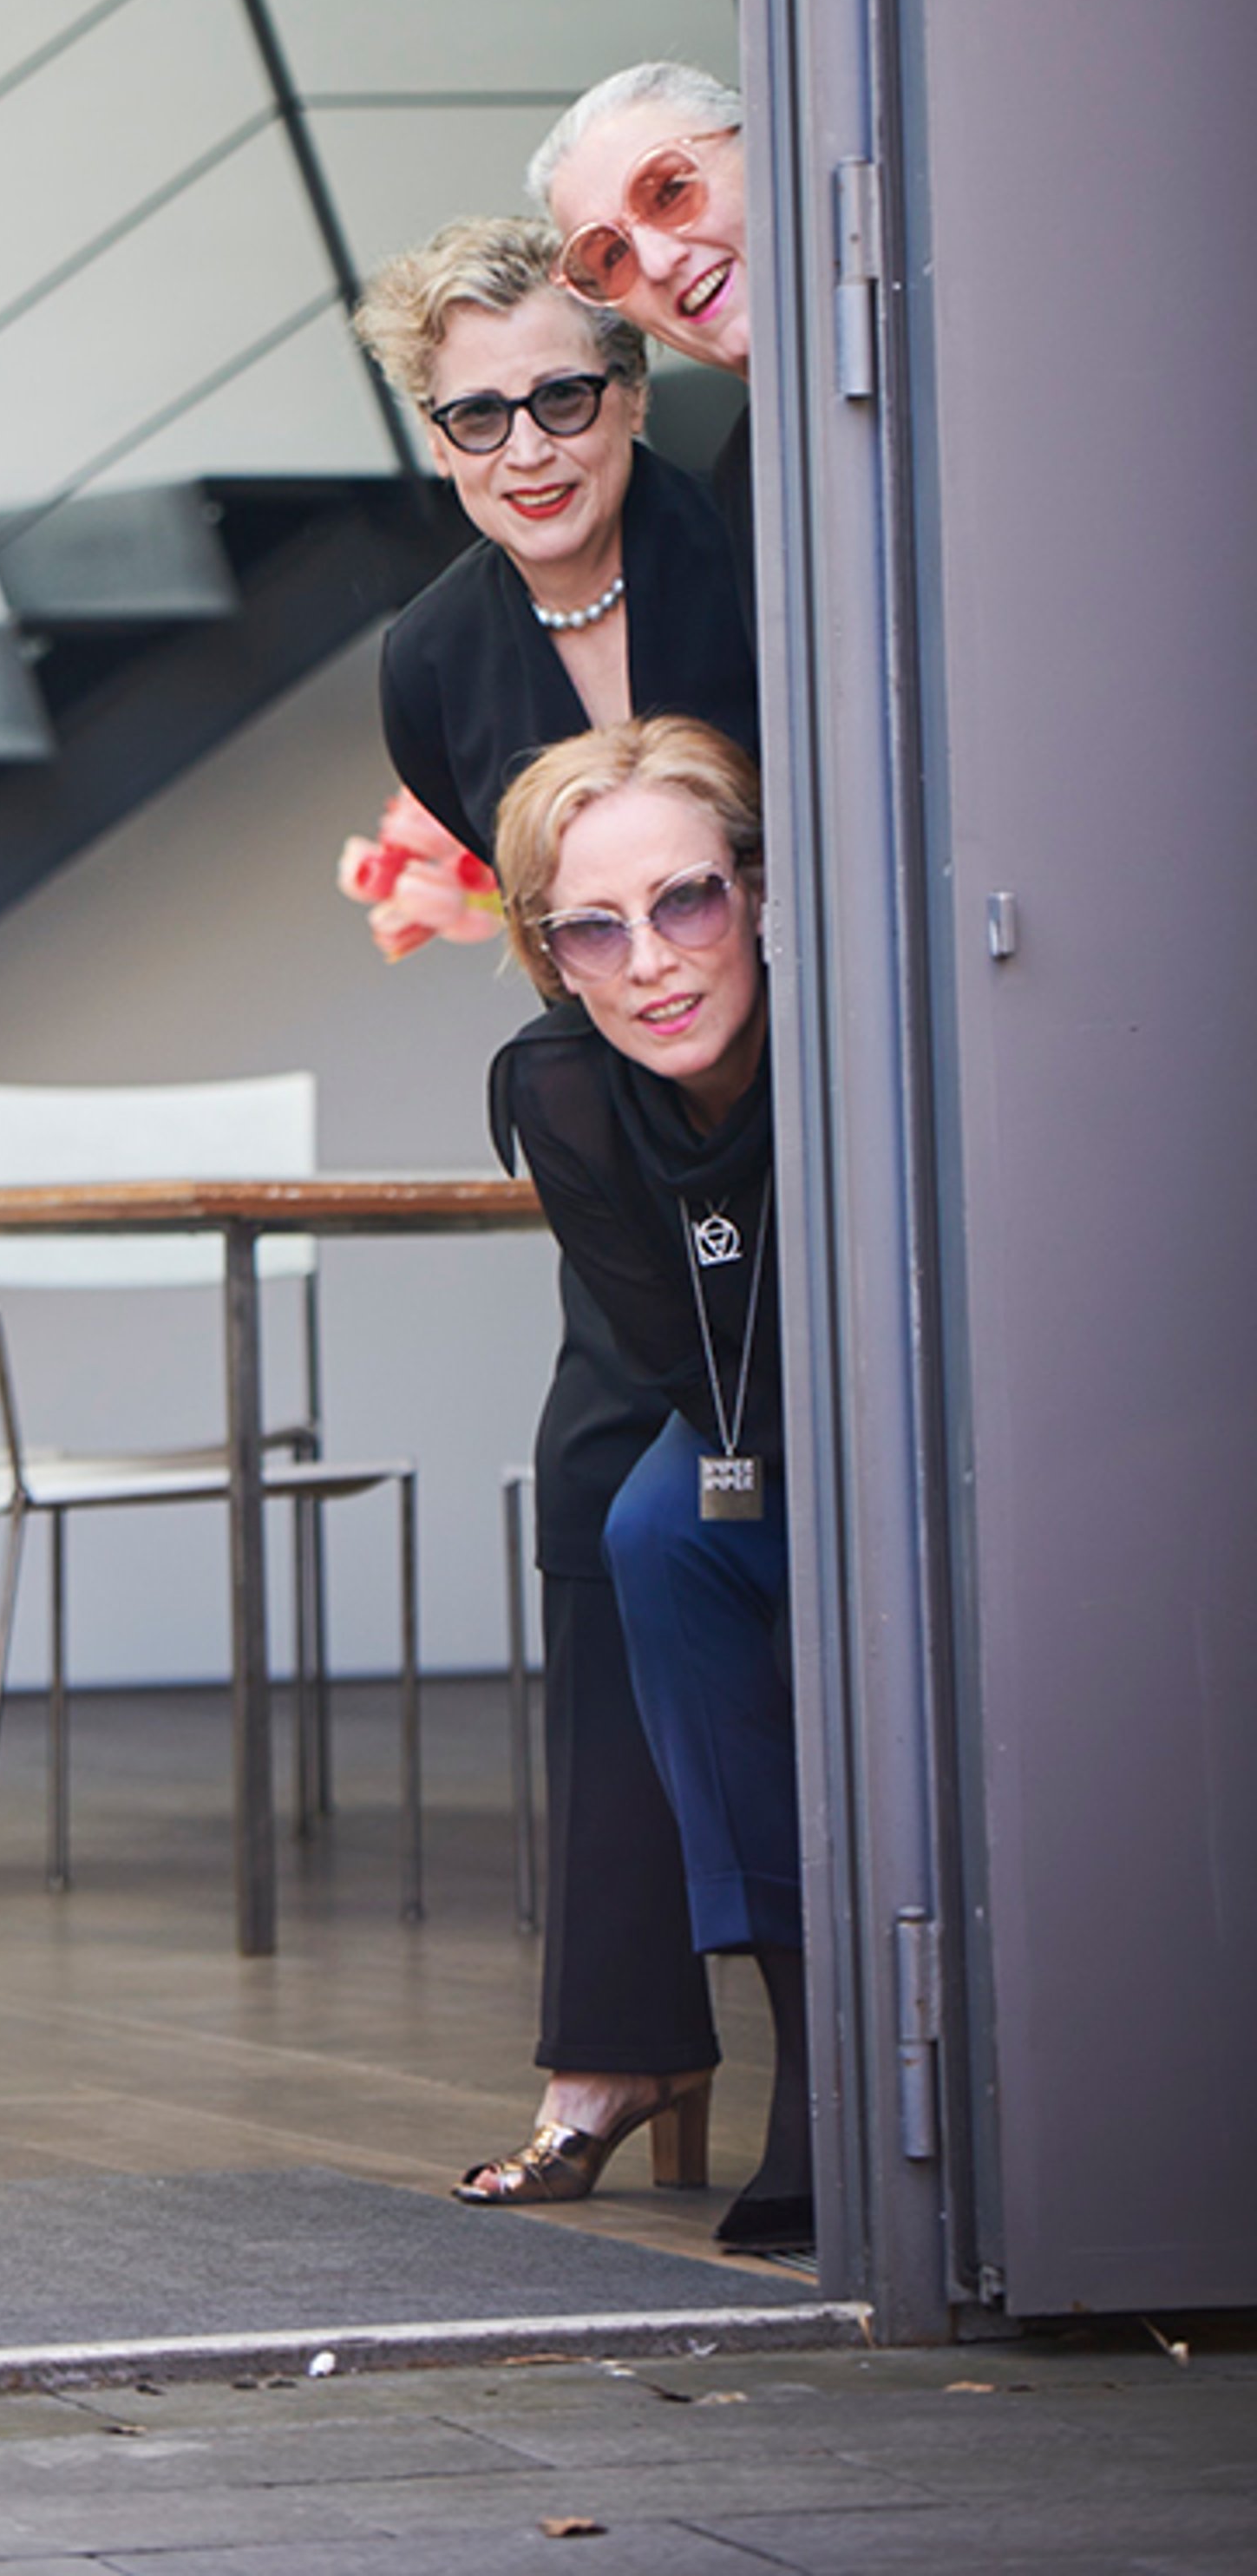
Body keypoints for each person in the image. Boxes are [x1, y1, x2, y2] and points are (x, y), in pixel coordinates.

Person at [350, 220, 758, 2212]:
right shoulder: (433, 659)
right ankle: (619, 2042)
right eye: (477, 410)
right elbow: (542, 924)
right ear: (437, 436)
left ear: (632, 391)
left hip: (819, 1091)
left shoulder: (751, 551)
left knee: (728, 1516)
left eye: (563, 393)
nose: (528, 442)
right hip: (630, 1134)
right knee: (594, 1488)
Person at [490, 717, 809, 2257]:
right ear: (552, 957)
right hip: (742, 1398)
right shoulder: (559, 1087)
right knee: (655, 1528)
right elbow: (679, 1354)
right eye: (593, 930)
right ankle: (816, 2049)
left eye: (686, 902)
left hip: (910, 1389)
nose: (653, 965)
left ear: (754, 888)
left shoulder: (841, 1018)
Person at [531, 61, 754, 601]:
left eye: (670, 192)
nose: (657, 262)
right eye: (612, 256)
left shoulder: (960, 325)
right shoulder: (745, 489)